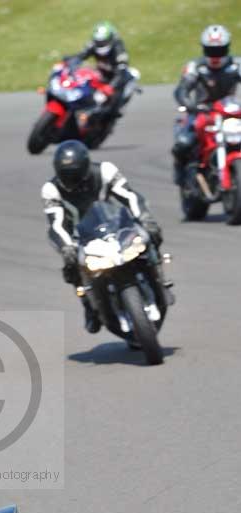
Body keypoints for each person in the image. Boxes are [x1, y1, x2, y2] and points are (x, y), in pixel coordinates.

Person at [41, 140, 168, 333]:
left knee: (150, 235)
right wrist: (67, 247)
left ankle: (159, 274)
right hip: (80, 236)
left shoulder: (105, 171)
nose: (71, 179)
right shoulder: (51, 190)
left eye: (74, 173)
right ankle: (88, 305)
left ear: (84, 167)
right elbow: (56, 225)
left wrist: (144, 218)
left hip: (115, 225)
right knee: (71, 267)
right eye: (65, 174)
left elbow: (130, 197)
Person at [172, 25, 241, 184]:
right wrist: (189, 104)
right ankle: (182, 174)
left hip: (229, 112)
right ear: (204, 49)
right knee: (183, 143)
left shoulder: (236, 65)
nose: (216, 56)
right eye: (211, 51)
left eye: (220, 50)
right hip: (202, 111)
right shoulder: (195, 67)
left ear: (227, 48)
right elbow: (181, 90)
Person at [66, 22, 131, 120]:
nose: (101, 44)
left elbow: (121, 71)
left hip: (117, 78)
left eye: (103, 42)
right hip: (102, 73)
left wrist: (111, 86)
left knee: (112, 108)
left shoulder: (119, 49)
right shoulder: (93, 44)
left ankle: (111, 113)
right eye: (99, 42)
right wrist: (68, 61)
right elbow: (81, 56)